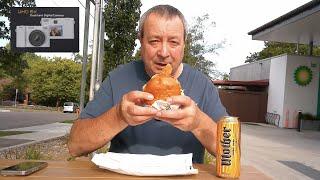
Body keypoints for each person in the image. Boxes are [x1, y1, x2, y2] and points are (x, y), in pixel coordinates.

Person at [68, 4, 227, 163]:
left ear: (184, 44)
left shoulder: (203, 85)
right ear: (141, 42)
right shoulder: (118, 78)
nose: (164, 53)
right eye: (154, 41)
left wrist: (199, 123)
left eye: (173, 42)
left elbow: (232, 153)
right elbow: (75, 145)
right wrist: (119, 116)